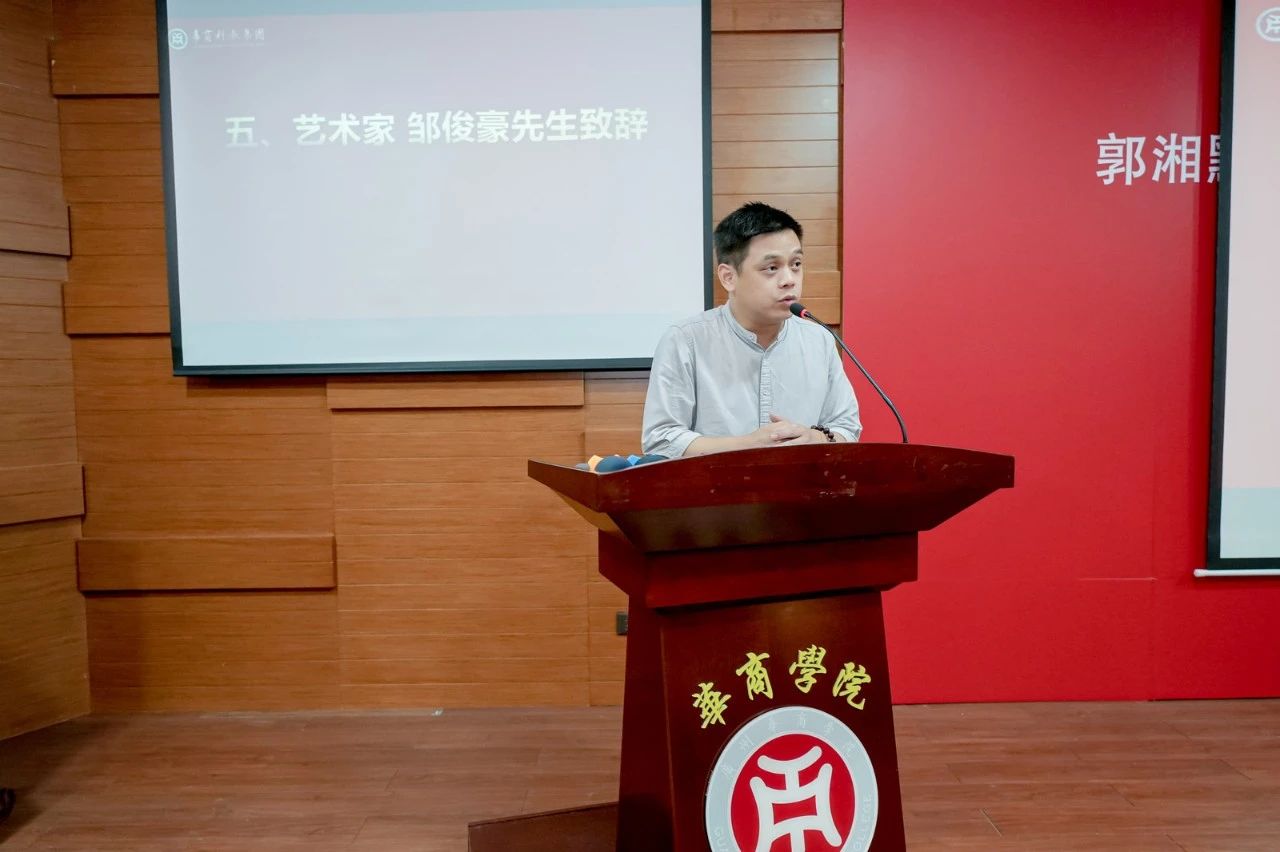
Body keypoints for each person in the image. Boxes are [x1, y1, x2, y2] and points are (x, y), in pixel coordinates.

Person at [641, 202, 861, 457]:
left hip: (799, 483)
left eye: (796, 264)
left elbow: (846, 427)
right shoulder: (686, 341)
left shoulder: (819, 340)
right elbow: (661, 440)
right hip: (716, 483)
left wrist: (815, 438)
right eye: (772, 268)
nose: (789, 279)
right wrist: (747, 445)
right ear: (728, 277)